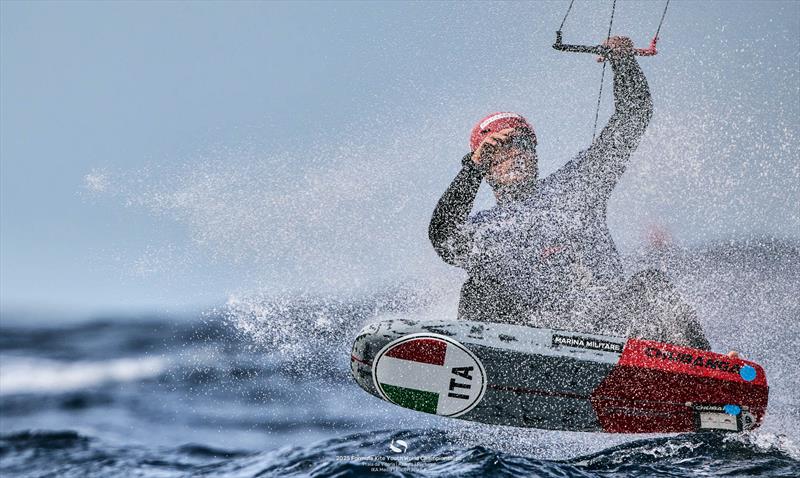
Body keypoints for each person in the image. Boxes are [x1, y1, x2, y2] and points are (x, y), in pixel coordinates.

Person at [428, 36, 711, 350]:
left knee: (651, 284)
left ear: (534, 153)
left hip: (611, 337)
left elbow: (633, 116)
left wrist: (624, 63)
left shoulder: (577, 186)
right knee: (478, 289)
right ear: (484, 165)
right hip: (535, 348)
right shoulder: (481, 231)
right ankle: (481, 367)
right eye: (498, 151)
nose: (514, 155)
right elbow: (442, 237)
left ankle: (707, 371)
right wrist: (470, 170)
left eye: (522, 145)